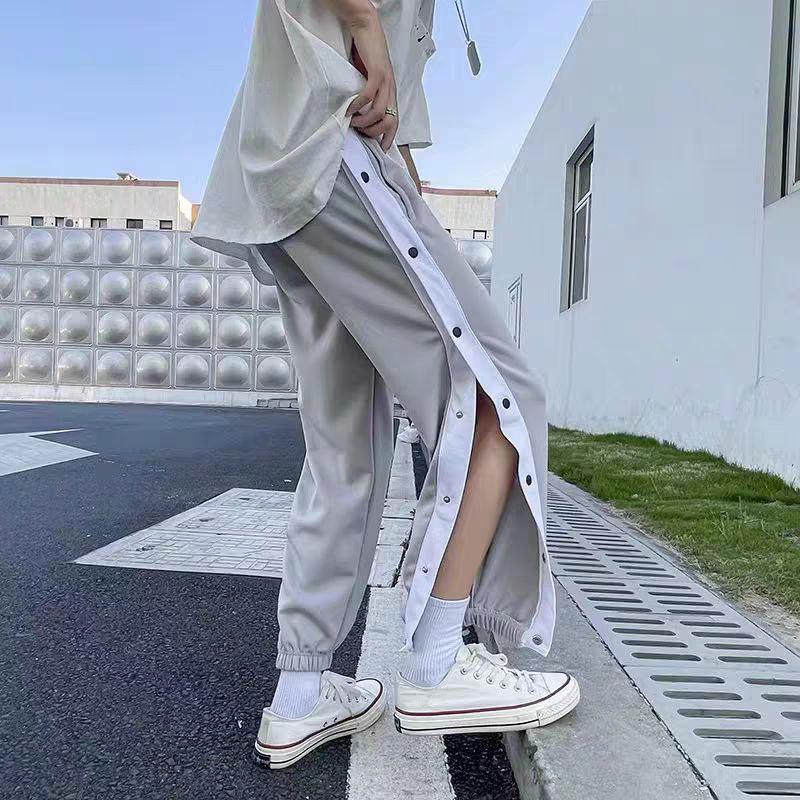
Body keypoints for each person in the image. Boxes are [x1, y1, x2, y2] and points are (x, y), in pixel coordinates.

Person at [191, 0, 579, 770]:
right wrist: (367, 25)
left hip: (287, 170)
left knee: (346, 445)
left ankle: (300, 694)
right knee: (495, 394)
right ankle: (437, 663)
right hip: (334, 144)